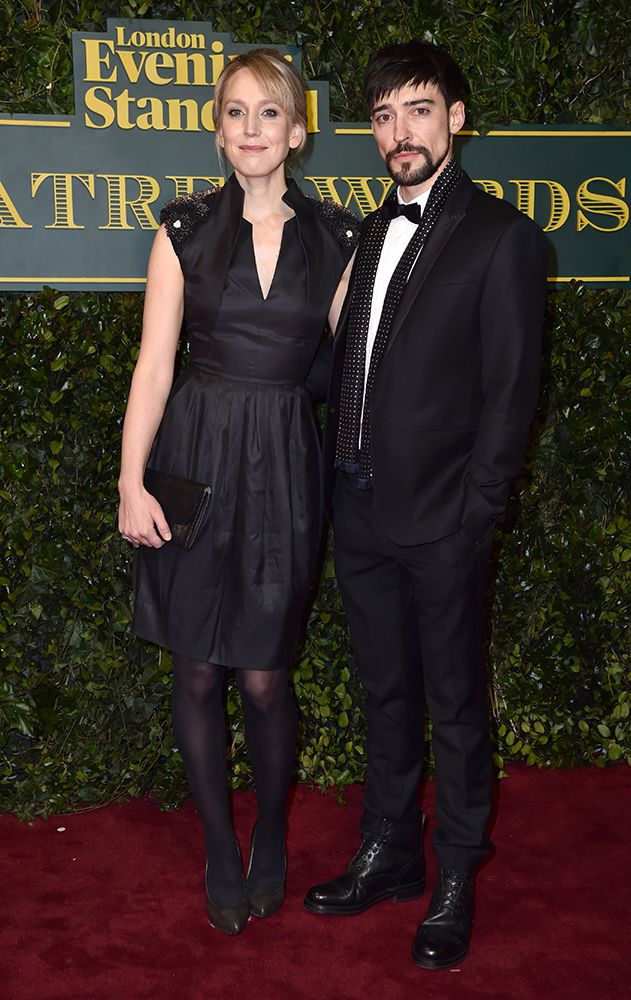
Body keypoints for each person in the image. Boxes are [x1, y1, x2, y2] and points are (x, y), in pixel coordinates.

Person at [304, 40, 547, 970]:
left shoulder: (506, 239)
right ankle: (390, 851)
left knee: (453, 703)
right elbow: (347, 367)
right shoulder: (366, 234)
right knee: (384, 691)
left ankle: (454, 875)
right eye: (381, 115)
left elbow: (510, 394)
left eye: (416, 109)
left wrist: (477, 512)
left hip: (445, 520)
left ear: (456, 119)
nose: (396, 131)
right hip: (358, 509)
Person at [117, 49, 358, 936]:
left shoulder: (338, 239)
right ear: (217, 130)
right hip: (193, 457)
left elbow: (368, 367)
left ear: (297, 132)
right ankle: (220, 846)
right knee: (196, 666)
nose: (249, 129)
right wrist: (128, 482)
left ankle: (274, 836)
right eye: (234, 113)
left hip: (285, 468)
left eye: (268, 114)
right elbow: (152, 367)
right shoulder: (180, 231)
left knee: (262, 676)